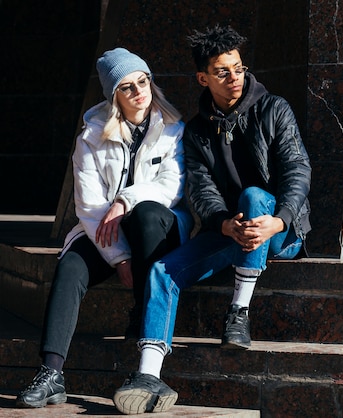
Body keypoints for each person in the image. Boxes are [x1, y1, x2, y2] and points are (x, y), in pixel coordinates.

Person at [112, 24, 311, 415]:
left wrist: (281, 220)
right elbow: (200, 189)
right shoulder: (197, 130)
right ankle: (149, 373)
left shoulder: (274, 109)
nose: (234, 78)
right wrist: (222, 223)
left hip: (280, 231)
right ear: (203, 78)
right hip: (229, 229)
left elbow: (297, 170)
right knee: (161, 272)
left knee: (255, 197)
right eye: (222, 72)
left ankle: (239, 312)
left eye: (238, 68)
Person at [15, 48, 193, 409]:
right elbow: (89, 206)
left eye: (143, 81)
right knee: (70, 266)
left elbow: (172, 188)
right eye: (127, 87)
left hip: (160, 224)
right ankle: (51, 373)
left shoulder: (173, 128)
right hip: (104, 229)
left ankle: (143, 315)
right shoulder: (91, 137)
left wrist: (125, 200)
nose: (139, 91)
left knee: (144, 214)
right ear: (114, 96)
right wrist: (120, 260)